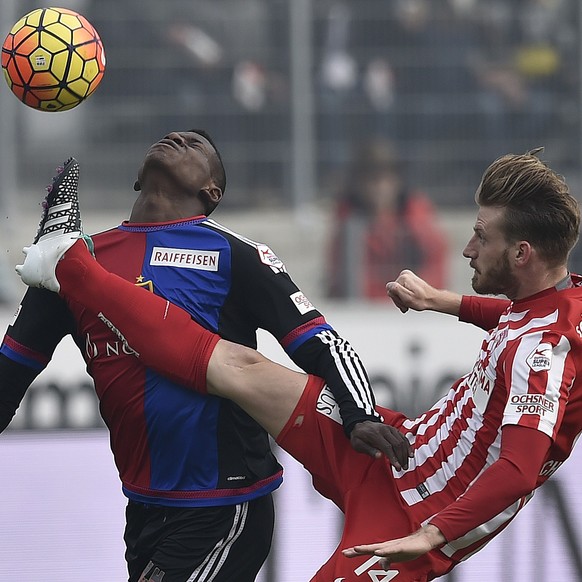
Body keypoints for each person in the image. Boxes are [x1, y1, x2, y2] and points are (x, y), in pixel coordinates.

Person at [16, 147, 582, 581]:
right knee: (237, 365)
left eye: (481, 237)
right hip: (398, 444)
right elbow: (522, 317)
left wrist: (434, 535)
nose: (466, 248)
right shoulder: (562, 301)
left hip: (411, 520)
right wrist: (448, 303)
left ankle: (67, 264)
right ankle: (68, 262)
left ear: (522, 254)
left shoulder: (544, 351)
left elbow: (517, 469)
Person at [0, 133, 404, 582]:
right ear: (137, 179)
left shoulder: (237, 254)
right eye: (171, 138)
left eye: (194, 145)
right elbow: (9, 375)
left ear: (212, 190)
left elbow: (321, 341)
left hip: (226, 506)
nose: (176, 137)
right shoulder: (73, 262)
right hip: (144, 508)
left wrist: (359, 412)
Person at [326, 139, 448, 299]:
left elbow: (434, 266)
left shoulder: (417, 213)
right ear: (359, 183)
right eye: (372, 180)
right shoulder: (347, 218)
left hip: (414, 305)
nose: (379, 187)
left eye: (385, 179)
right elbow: (343, 274)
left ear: (397, 181)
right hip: (364, 308)